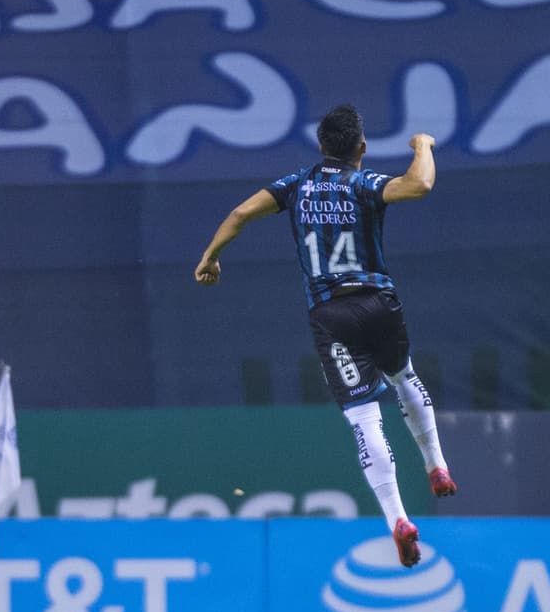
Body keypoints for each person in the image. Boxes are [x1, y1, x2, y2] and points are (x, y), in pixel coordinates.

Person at [195, 104, 457, 568]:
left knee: (363, 417)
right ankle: (436, 463)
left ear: (320, 147)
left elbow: (239, 213)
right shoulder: (365, 183)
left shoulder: (295, 185)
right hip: (379, 302)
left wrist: (212, 255)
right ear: (362, 147)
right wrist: (422, 145)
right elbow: (420, 183)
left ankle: (397, 517)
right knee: (403, 376)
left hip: (331, 314)